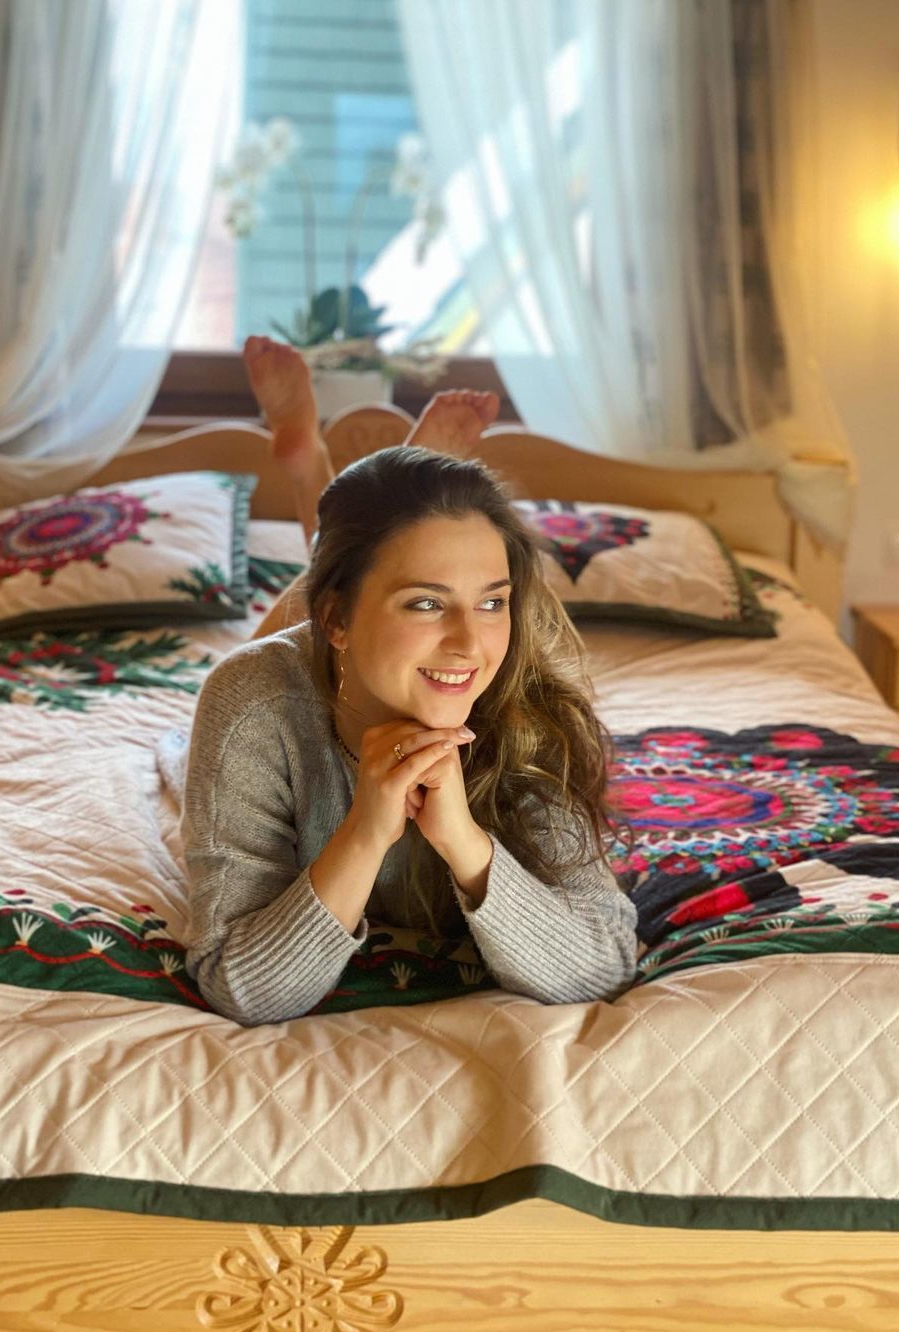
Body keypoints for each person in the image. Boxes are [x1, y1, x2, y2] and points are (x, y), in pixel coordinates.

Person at [180, 337, 640, 1025]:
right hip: (297, 661)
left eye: (492, 602)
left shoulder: (527, 700)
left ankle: (349, 493)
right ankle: (321, 477)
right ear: (334, 620)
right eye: (426, 603)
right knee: (265, 662)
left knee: (367, 576)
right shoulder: (254, 706)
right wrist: (367, 831)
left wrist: (464, 843)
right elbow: (241, 988)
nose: (470, 645)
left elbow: (605, 961)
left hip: (344, 616)